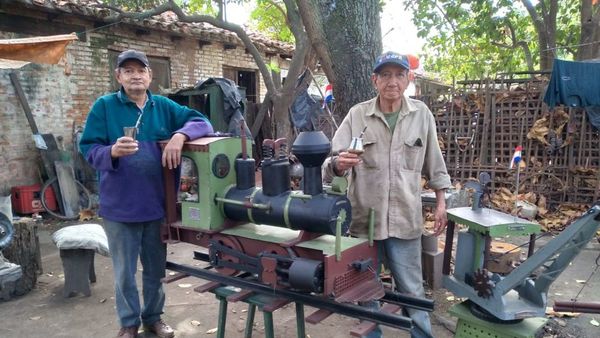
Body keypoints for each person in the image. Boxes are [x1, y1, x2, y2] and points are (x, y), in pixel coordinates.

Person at [79, 50, 214, 338]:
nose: (135, 75)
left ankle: (153, 318)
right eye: (127, 71)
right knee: (125, 273)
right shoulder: (104, 107)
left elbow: (203, 122)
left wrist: (181, 135)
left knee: (155, 270)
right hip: (120, 208)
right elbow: (87, 148)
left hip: (157, 206)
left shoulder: (163, 106)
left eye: (140, 70)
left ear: (150, 76)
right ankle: (128, 323)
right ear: (118, 77)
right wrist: (111, 151)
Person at [322, 51, 451, 338]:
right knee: (365, 289)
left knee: (412, 290)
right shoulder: (357, 115)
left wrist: (441, 203)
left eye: (399, 75)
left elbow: (435, 165)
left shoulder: (421, 115)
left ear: (409, 79)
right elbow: (328, 165)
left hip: (405, 221)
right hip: (364, 221)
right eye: (386, 75)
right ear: (375, 80)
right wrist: (338, 164)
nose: (392, 81)